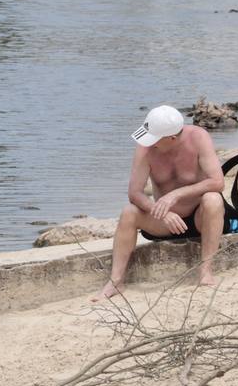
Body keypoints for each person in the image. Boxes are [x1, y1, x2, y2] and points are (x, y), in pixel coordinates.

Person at [94, 105, 227, 300]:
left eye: (153, 139)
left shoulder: (198, 137)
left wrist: (176, 194)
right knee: (129, 212)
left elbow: (217, 181)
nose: (149, 143)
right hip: (165, 222)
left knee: (213, 199)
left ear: (171, 138)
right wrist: (162, 211)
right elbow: (135, 193)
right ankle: (116, 281)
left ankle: (205, 271)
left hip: (200, 218)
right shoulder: (145, 149)